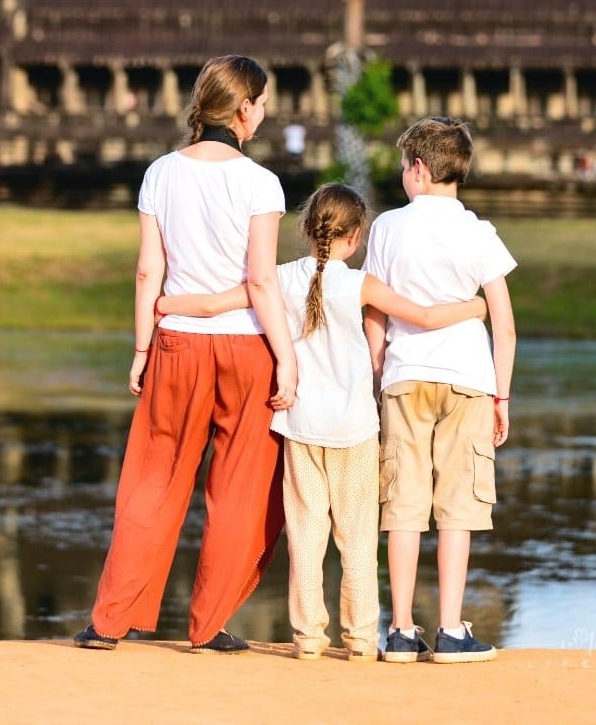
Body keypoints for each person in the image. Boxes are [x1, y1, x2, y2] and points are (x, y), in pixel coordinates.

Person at [156, 181, 488, 662]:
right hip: (354, 429)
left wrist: (163, 305)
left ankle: (308, 638)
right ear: (354, 239)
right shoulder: (359, 285)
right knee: (355, 539)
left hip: (298, 427)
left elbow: (209, 305)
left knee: (306, 538)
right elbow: (428, 317)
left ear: (308, 230)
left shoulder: (280, 278)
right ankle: (358, 639)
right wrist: (477, 306)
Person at [74, 54, 297, 655]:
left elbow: (150, 270)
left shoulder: (161, 173)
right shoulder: (260, 182)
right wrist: (290, 358)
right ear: (245, 107)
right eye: (264, 102)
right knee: (238, 488)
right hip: (247, 345)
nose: (266, 113)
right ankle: (209, 624)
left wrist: (142, 347)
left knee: (153, 479)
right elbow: (262, 282)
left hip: (176, 343)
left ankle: (109, 622)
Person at [363, 117, 517, 665]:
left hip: (405, 377)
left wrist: (378, 376)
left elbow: (375, 313)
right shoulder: (479, 232)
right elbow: (504, 323)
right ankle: (451, 627)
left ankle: (401, 630)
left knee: (403, 505)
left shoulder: (386, 228)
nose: (404, 177)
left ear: (420, 170)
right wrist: (502, 396)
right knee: (458, 507)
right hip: (469, 379)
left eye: (405, 168)